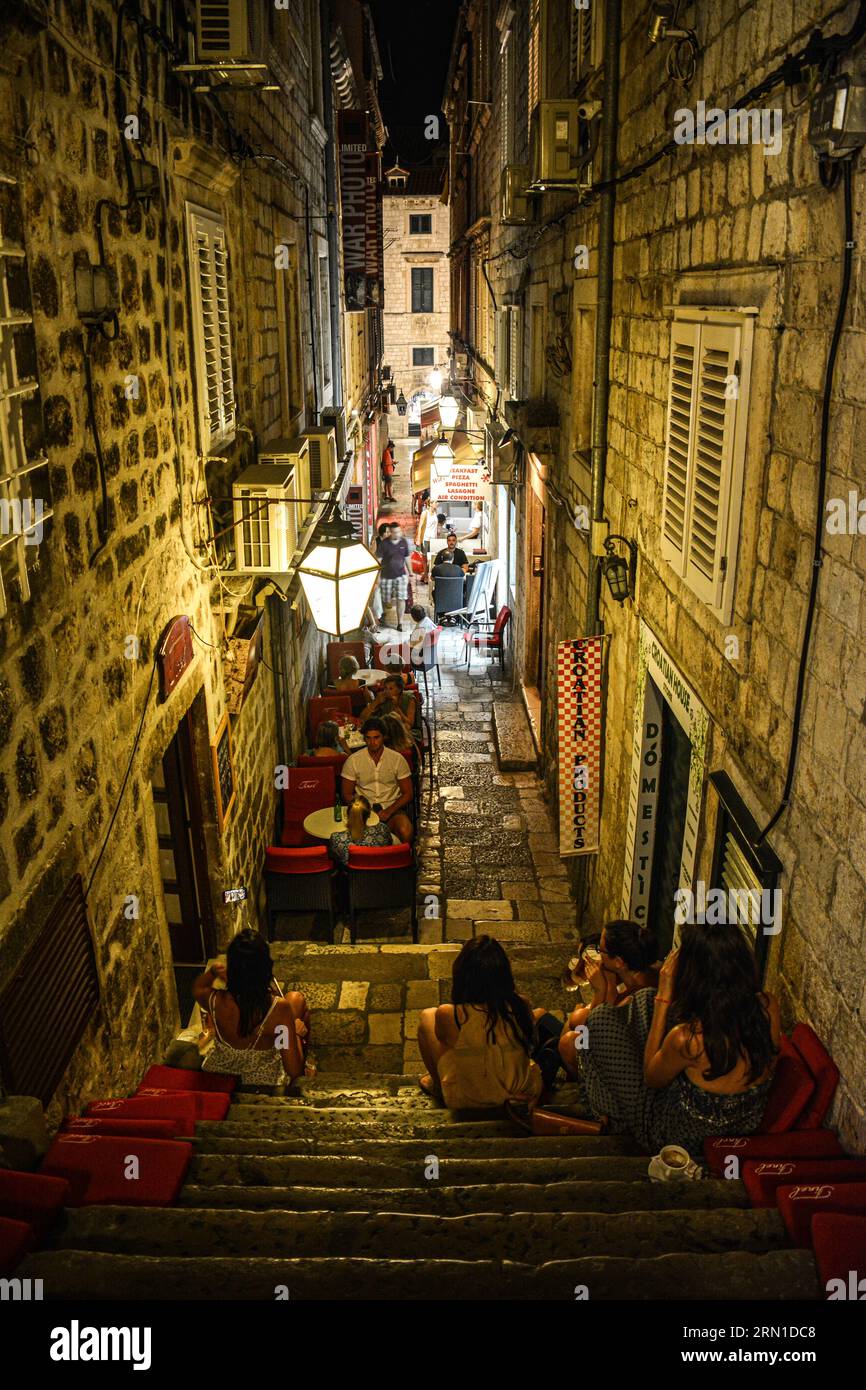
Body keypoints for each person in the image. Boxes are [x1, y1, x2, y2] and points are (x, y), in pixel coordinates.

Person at [575, 923, 781, 1154]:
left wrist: (664, 995)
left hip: (675, 1133)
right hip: (743, 1120)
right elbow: (770, 1059)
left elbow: (651, 1078)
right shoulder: (767, 1005)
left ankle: (612, 1119)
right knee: (644, 998)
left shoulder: (688, 1040)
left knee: (599, 1020)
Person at [417, 936, 547, 1107]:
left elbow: (444, 1040)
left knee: (427, 1016)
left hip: (471, 1098)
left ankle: (439, 1087)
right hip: (518, 1091)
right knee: (539, 1014)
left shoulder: (451, 1014)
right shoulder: (521, 1004)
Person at [193, 929, 310, 1084]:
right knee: (296, 1001)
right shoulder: (279, 1009)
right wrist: (295, 1034)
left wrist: (213, 972)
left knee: (294, 999)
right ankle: (310, 1064)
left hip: (220, 1072)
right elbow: (293, 1070)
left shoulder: (214, 1000)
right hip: (262, 1081)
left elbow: (198, 988)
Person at [559, 921, 660, 1080]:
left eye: (601, 950)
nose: (599, 956)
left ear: (619, 961)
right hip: (621, 1044)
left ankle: (587, 1085)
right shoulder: (639, 974)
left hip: (627, 1068)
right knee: (577, 1018)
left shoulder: (638, 997)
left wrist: (601, 991)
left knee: (568, 1042)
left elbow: (594, 1031)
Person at [341, 717, 414, 842]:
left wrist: (389, 811)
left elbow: (408, 793)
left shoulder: (397, 759)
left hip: (392, 808)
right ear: (364, 738)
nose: (372, 742)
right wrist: (362, 810)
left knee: (405, 830)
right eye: (368, 738)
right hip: (363, 811)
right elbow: (346, 793)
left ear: (383, 737)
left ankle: (403, 858)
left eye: (376, 737)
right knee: (353, 837)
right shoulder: (353, 760)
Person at [328, 792, 393, 866]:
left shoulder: (336, 839)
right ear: (369, 815)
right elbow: (389, 846)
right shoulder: (383, 830)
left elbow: (335, 861)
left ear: (348, 814)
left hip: (353, 876)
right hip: (381, 874)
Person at [378, 521, 413, 629]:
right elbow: (378, 560)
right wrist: (377, 577)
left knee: (401, 598)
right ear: (390, 533)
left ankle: (400, 623)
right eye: (394, 532)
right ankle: (382, 616)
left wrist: (410, 572)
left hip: (401, 575)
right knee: (385, 599)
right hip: (386, 576)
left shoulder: (403, 542)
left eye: (398, 532)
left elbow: (407, 557)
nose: (397, 534)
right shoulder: (384, 544)